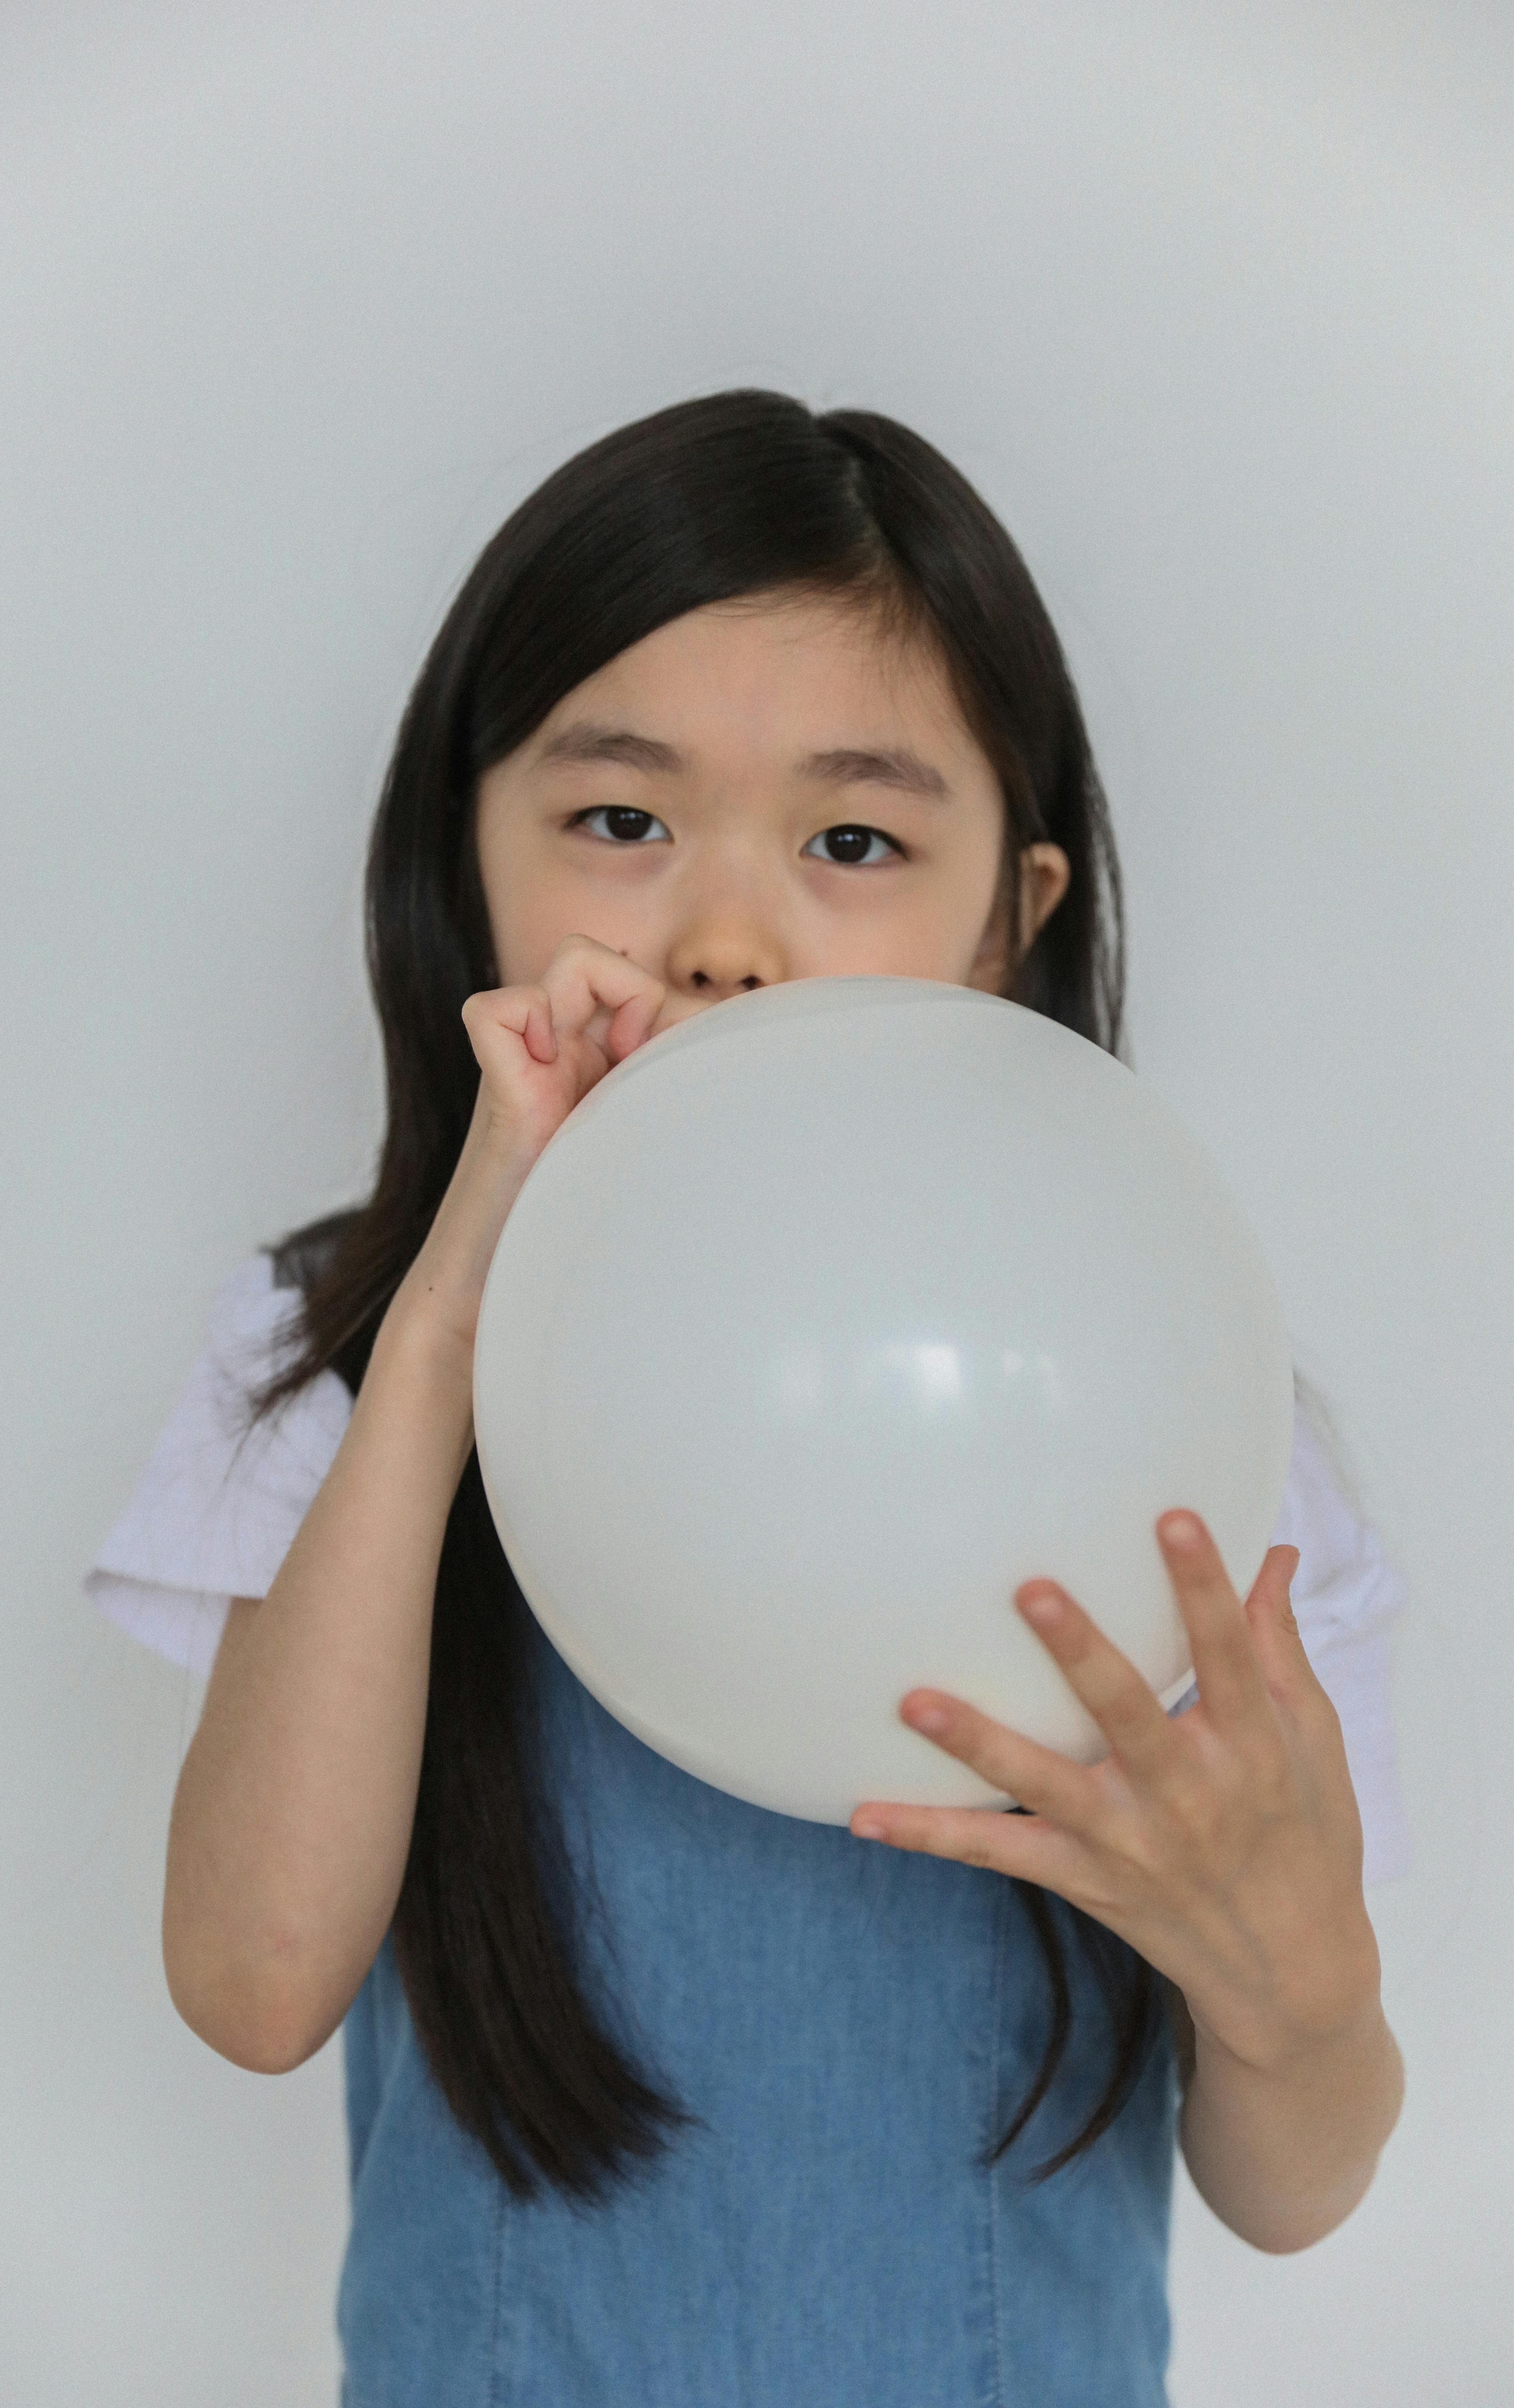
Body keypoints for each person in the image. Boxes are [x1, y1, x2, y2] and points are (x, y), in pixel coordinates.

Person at [84, 390, 1410, 2406]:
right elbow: (255, 1985)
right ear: (472, 855)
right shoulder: (352, 1365)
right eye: (620, 820)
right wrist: (445, 1322)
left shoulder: (1182, 1415)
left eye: (855, 841)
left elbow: (1296, 2186)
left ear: (1012, 921)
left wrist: (1292, 1978)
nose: (720, 939)